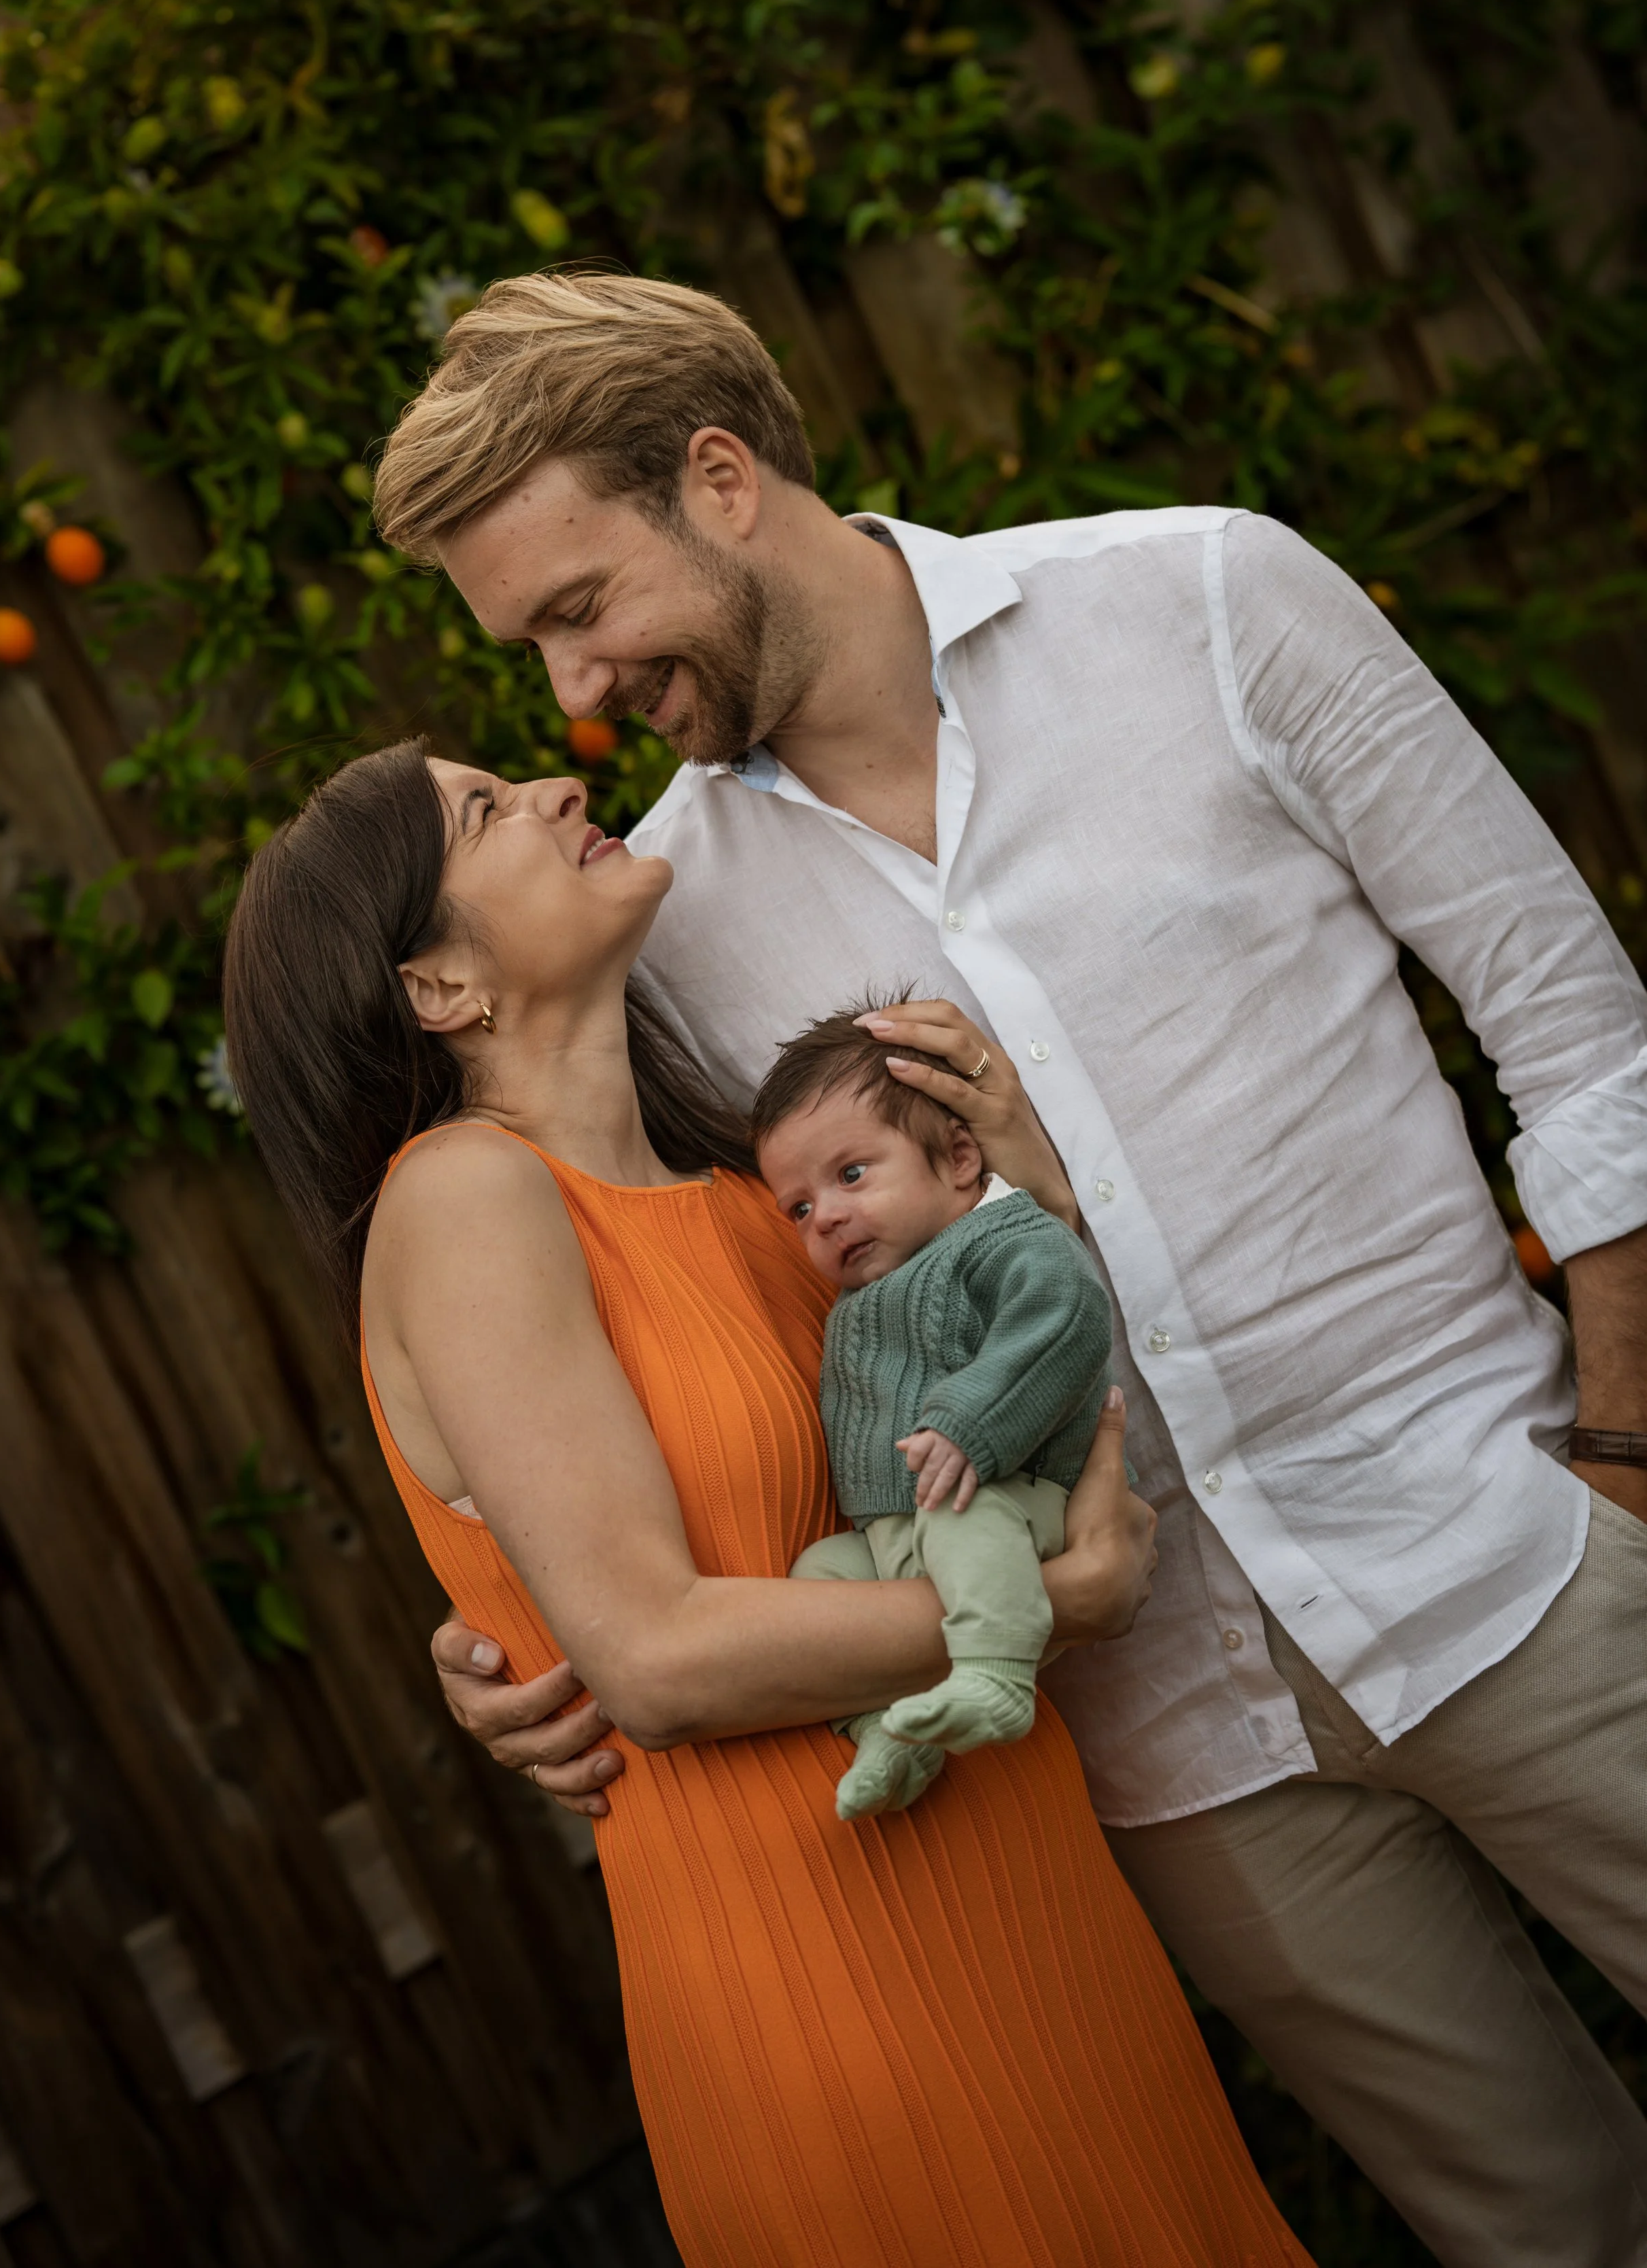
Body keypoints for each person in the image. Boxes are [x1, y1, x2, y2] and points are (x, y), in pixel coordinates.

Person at [375, 270, 1647, 2268]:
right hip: (1180, 1753)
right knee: (1551, 2230)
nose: (572, 695)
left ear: (719, 478)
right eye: (532, 643)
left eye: (579, 606)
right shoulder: (664, 932)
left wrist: (1621, 1459)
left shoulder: (1205, 599)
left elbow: (1575, 1031)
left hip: (1518, 1556)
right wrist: (515, 1634)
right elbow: (693, 1337)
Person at [222, 738, 1313, 2268]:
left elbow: (980, 1465)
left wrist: (1035, 1208)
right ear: (438, 988)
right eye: (484, 811)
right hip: (828, 1971)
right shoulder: (465, 1196)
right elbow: (657, 1661)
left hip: (1032, 1896)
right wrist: (1049, 1607)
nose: (554, 791)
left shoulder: (765, 1208)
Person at [753, 1002, 1115, 1820]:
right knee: (818, 1581)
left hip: (1008, 1498)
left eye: (851, 1175)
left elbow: (1064, 1319)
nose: (825, 1216)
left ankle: (995, 1675)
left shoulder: (1004, 1239)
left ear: (957, 1158)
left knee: (959, 1517)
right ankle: (888, 1730)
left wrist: (967, 1424)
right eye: (799, 1208)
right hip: (904, 1531)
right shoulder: (869, 1293)